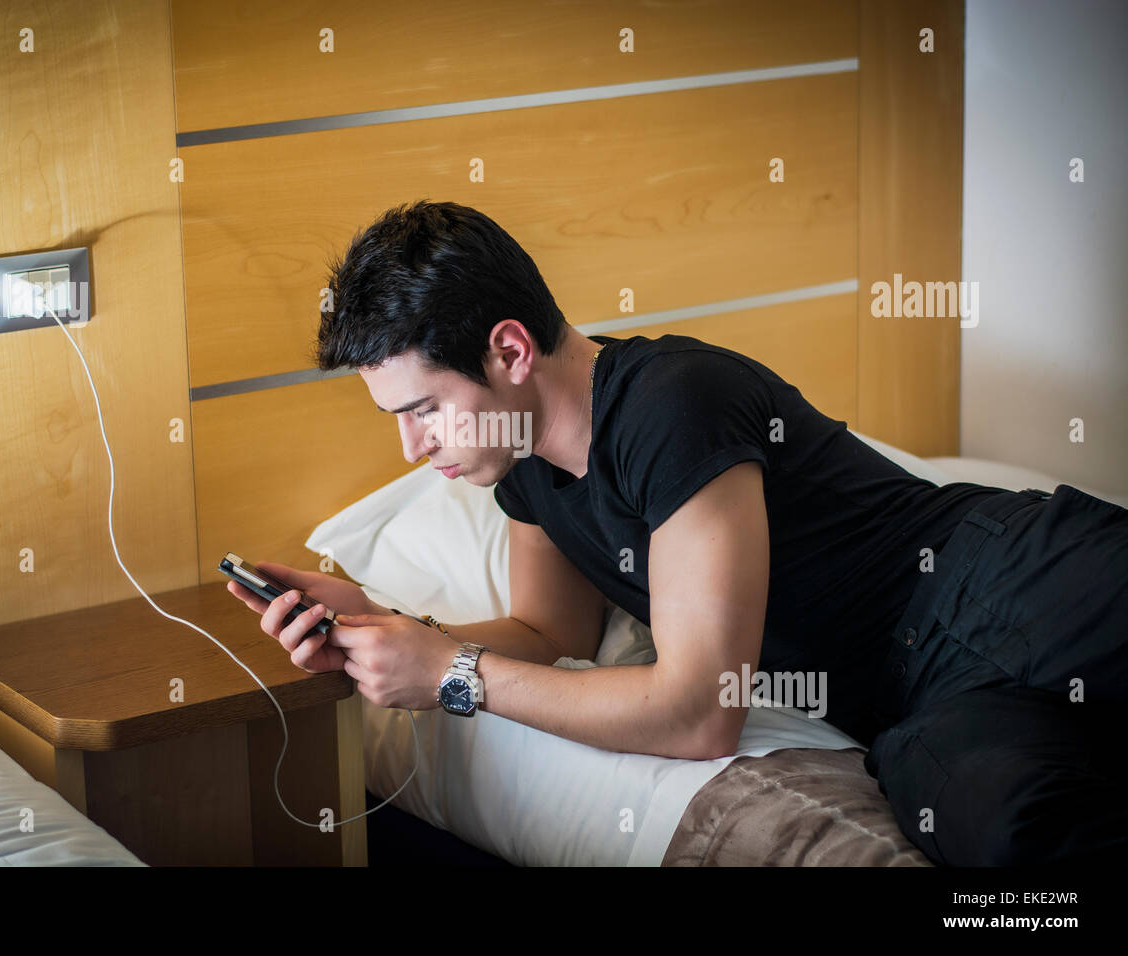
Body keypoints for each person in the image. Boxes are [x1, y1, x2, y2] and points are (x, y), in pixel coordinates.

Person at [226, 199, 1128, 866]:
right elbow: (551, 639)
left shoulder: (669, 403)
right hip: (921, 705)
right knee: (1019, 863)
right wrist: (383, 624)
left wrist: (451, 680)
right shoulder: (527, 470)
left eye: (424, 409)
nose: (413, 446)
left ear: (508, 352)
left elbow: (701, 713)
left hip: (1015, 580)